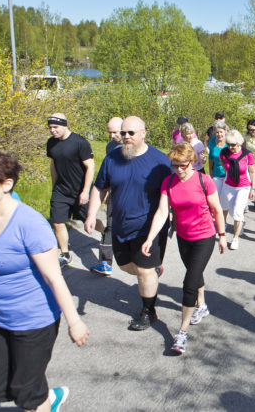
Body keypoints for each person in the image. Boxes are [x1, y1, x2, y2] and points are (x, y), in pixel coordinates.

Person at [0, 149, 89, 411]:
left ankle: (45, 399)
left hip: (33, 321)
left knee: (27, 395)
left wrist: (74, 321)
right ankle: (40, 391)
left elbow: (54, 277)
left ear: (6, 184)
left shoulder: (29, 224)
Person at [84, 116, 172, 331]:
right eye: (123, 133)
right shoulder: (112, 158)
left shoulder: (160, 161)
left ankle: (148, 311)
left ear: (143, 133)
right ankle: (151, 272)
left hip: (148, 227)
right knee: (125, 266)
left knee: (144, 270)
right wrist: (90, 214)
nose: (125, 137)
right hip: (121, 225)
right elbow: (100, 187)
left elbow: (174, 190)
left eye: (131, 133)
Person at [141, 143, 227, 354]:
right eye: (175, 165)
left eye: (183, 165)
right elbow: (162, 213)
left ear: (193, 162)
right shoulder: (168, 182)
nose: (179, 169)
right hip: (183, 237)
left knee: (189, 281)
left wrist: (222, 236)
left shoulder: (203, 180)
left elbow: (216, 209)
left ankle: (181, 333)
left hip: (205, 236)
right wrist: (150, 238)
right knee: (194, 274)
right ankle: (202, 305)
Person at [46, 113, 95, 268]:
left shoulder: (79, 142)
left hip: (80, 190)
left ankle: (106, 231)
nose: (52, 130)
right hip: (61, 190)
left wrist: (85, 191)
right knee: (57, 222)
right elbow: (53, 164)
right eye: (50, 127)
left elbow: (90, 166)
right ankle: (65, 254)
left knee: (89, 219)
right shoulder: (51, 143)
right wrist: (54, 186)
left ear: (64, 125)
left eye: (55, 127)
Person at [90, 116, 123, 276]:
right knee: (110, 226)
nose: (112, 136)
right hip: (114, 194)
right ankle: (105, 262)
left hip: (132, 195)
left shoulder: (134, 145)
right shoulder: (110, 147)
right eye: (110, 133)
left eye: (115, 132)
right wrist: (106, 192)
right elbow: (108, 172)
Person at [219, 130, 255, 250]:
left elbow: (252, 171)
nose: (230, 147)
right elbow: (222, 162)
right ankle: (226, 224)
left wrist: (253, 188)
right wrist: (228, 172)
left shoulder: (247, 154)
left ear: (239, 143)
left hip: (243, 186)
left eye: (233, 144)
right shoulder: (224, 153)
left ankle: (235, 238)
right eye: (228, 144)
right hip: (229, 185)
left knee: (237, 212)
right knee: (226, 208)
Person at [208, 120, 228, 205]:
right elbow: (211, 158)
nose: (219, 134)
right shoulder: (212, 141)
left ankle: (224, 217)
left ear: (225, 131)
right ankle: (218, 216)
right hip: (216, 174)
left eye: (221, 132)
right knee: (217, 198)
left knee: (225, 199)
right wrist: (210, 172)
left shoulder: (229, 142)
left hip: (228, 174)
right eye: (217, 132)